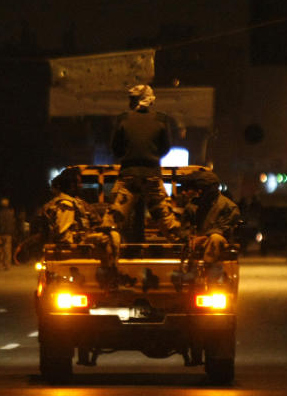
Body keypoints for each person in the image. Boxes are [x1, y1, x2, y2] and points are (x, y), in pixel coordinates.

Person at [101, 84, 181, 252]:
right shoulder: (161, 119)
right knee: (166, 221)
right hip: (152, 176)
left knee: (112, 221)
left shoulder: (123, 118)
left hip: (128, 176)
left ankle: (105, 253)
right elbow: (166, 147)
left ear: (133, 100)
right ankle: (183, 248)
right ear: (150, 99)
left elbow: (115, 148)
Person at [178, 169, 241, 264]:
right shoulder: (193, 206)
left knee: (215, 238)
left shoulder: (229, 207)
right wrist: (189, 237)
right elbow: (184, 227)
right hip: (195, 241)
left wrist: (203, 237)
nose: (199, 192)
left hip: (215, 242)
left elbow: (222, 229)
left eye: (202, 190)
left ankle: (207, 269)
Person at [0, 197, 16, 270]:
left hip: (1, 234)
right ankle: (7, 265)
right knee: (7, 251)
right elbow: (12, 224)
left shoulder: (0, 213)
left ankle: (0, 265)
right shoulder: (11, 212)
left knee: (0, 251)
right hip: (8, 234)